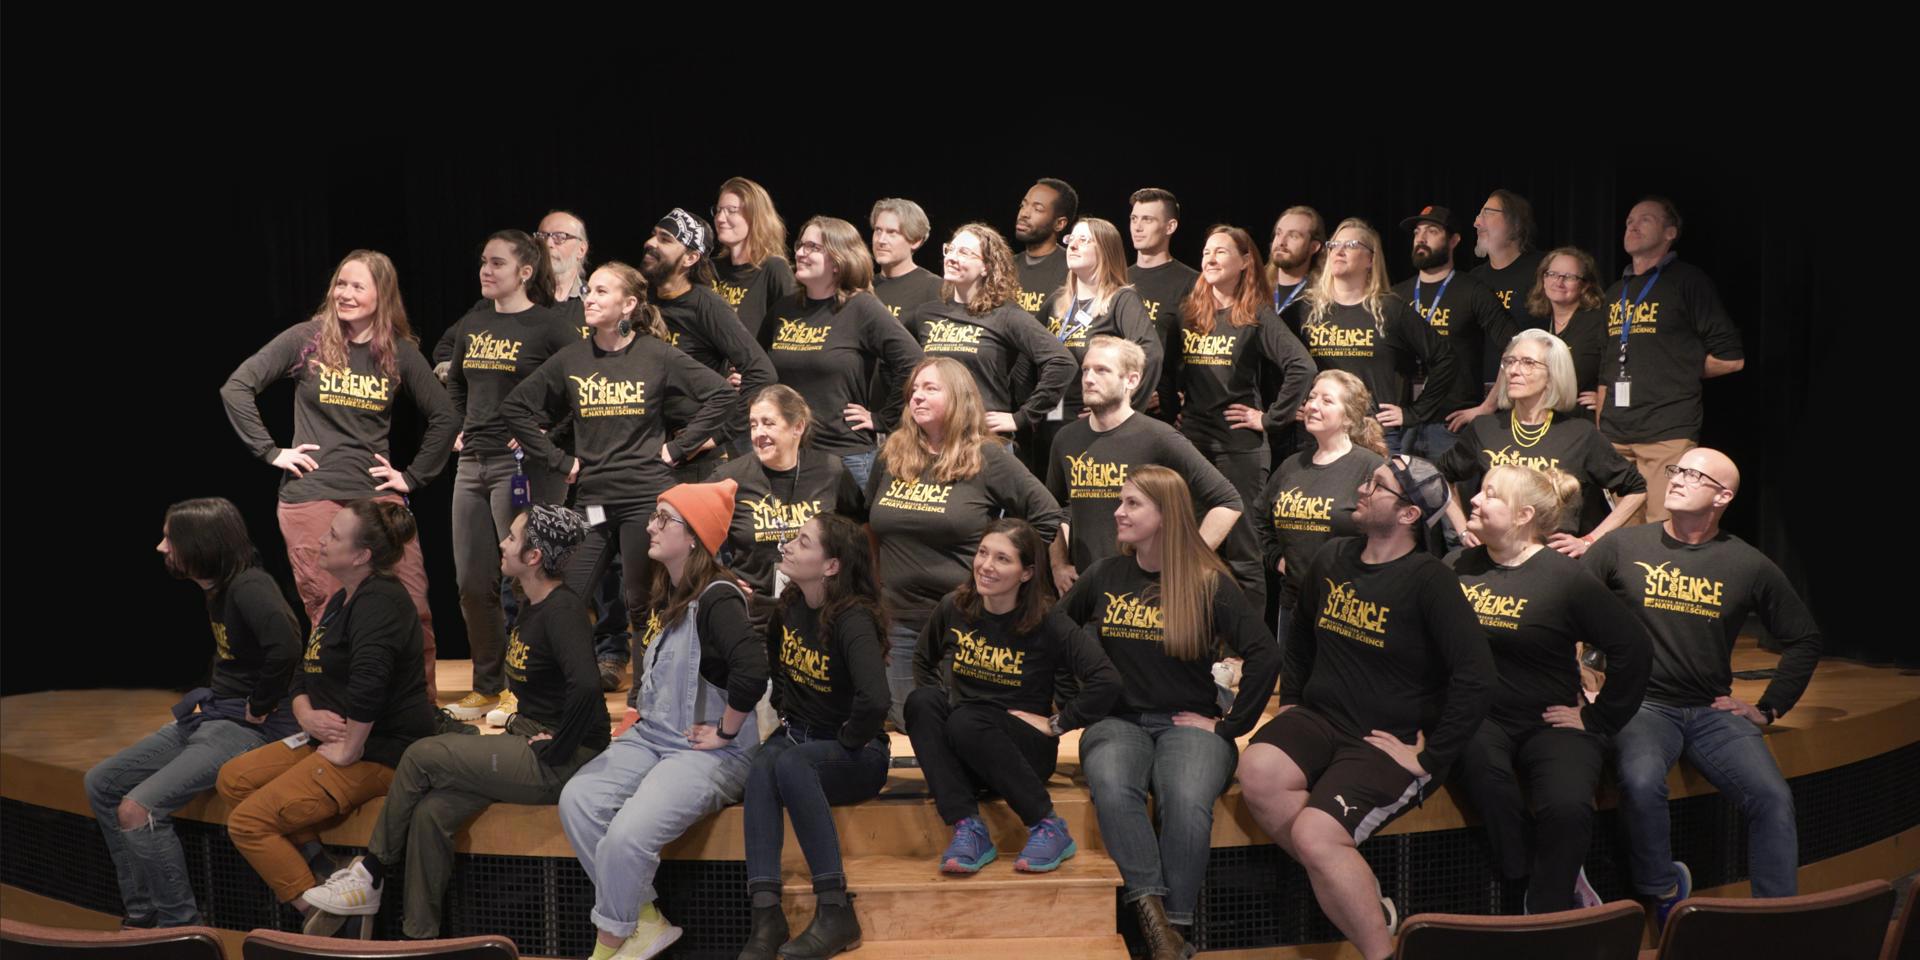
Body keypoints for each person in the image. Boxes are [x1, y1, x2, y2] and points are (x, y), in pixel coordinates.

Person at [300, 506, 609, 939]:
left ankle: (369, 873)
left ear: (535, 556)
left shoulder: (563, 610)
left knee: (421, 755)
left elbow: (587, 687)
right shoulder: (531, 604)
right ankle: (418, 937)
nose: (502, 543)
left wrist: (558, 747)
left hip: (563, 756)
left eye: (513, 538)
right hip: (530, 738)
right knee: (431, 813)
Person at [1236, 456, 1490, 960]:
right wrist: (1291, 702)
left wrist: (1431, 757)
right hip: (1322, 717)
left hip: (1387, 738)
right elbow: (1301, 634)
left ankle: (1381, 951)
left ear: (1409, 514)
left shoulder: (1430, 580)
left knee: (1315, 835)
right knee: (1257, 770)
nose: (1362, 489)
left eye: (1378, 486)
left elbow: (1477, 676)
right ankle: (1362, 893)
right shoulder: (1333, 555)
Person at [1585, 447, 1823, 921]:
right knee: (1640, 781)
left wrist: (1769, 707)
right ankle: (1663, 891)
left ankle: (1778, 920)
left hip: (1711, 710)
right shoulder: (1621, 547)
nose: (1677, 479)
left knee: (1772, 798)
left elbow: (1804, 638)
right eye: (1677, 470)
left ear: (1723, 497)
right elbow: (1563, 609)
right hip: (1642, 705)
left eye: (1694, 475)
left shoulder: (1747, 564)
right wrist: (1580, 681)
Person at [1059, 466, 1281, 960]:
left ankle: (1170, 929)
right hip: (1117, 721)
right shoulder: (1105, 574)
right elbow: (1054, 633)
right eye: (1121, 501)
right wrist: (1074, 702)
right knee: (1113, 786)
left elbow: (1265, 654)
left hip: (1190, 720)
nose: (1117, 512)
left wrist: (1231, 725)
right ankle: (1161, 928)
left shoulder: (1207, 581)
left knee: (1185, 797)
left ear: (1166, 514)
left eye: (1132, 504)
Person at [501, 258, 735, 706]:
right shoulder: (573, 358)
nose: (589, 298)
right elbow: (515, 407)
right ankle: (550, 697)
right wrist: (557, 459)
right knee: (565, 594)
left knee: (641, 601)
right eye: (589, 290)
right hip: (593, 502)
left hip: (643, 499)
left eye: (601, 291)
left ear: (628, 304)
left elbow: (722, 395)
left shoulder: (655, 355)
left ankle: (644, 702)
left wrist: (678, 448)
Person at [222, 250, 454, 689]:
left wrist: (412, 477)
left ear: (382, 295)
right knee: (332, 607)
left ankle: (419, 708)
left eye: (357, 286)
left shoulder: (398, 352)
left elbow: (445, 416)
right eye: (340, 284)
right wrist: (270, 452)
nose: (344, 294)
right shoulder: (307, 340)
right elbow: (237, 386)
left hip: (375, 498)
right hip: (312, 494)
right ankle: (338, 705)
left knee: (411, 602)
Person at [558, 480, 768, 960]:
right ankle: (645, 919)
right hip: (654, 737)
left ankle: (609, 942)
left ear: (694, 536)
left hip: (705, 751)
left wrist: (726, 730)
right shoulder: (668, 590)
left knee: (627, 835)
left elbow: (753, 671)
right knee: (579, 800)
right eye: (654, 516)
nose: (650, 527)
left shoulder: (718, 597)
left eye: (663, 519)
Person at [214, 500, 437, 934]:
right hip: (326, 736)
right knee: (233, 780)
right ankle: (322, 866)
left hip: (378, 752)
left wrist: (350, 748)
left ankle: (325, 916)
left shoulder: (381, 602)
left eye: (334, 535)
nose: (321, 540)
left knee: (248, 823)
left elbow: (370, 684)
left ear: (361, 555)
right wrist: (305, 713)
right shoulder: (341, 598)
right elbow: (304, 668)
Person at [86, 498, 300, 929]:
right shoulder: (217, 587)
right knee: (102, 783)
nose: (161, 547)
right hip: (215, 715)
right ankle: (143, 911)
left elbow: (288, 645)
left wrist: (259, 705)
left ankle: (181, 926)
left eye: (170, 538)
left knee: (138, 809)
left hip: (246, 728)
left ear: (199, 543)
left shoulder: (250, 586)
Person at [1448, 465, 1650, 914]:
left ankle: (1549, 908)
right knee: (1484, 775)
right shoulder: (1458, 565)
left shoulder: (1565, 578)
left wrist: (1598, 717)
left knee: (1568, 806)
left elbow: (1632, 648)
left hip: (1551, 716)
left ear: (1522, 516)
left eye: (1489, 494)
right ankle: (1525, 878)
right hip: (1482, 717)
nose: (1473, 500)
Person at [909, 519, 1122, 874]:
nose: (986, 565)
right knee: (922, 703)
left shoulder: (1047, 620)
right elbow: (922, 659)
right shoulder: (954, 606)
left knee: (966, 720)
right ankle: (967, 827)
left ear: (1027, 573)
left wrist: (1058, 723)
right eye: (983, 553)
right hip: (968, 745)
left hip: (1024, 753)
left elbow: (1106, 679)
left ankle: (1048, 825)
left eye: (1002, 559)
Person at [868, 357, 1065, 729]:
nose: (917, 396)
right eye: (914, 389)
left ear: (958, 397)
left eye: (930, 388)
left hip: (967, 622)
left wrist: (1011, 574)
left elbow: (1045, 513)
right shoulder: (891, 454)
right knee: (914, 722)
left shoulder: (987, 456)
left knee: (966, 725)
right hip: (900, 620)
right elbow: (870, 526)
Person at [739, 514, 892, 960]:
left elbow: (876, 699)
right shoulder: (788, 606)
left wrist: (848, 741)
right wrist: (786, 709)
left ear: (831, 566)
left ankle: (835, 909)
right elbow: (777, 668)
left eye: (803, 542)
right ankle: (766, 915)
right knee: (764, 762)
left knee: (791, 761)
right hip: (801, 739)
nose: (788, 545)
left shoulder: (853, 618)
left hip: (858, 754)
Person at [443, 229, 578, 721]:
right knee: (472, 582)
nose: (486, 270)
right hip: (472, 464)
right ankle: (487, 686)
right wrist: (459, 425)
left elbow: (579, 391)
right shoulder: (474, 322)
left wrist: (544, 435)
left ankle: (527, 690)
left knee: (525, 580)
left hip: (521, 467)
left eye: (497, 263)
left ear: (525, 271)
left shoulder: (550, 327)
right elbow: (457, 384)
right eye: (484, 261)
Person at [1045, 336, 1243, 594]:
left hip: (1145, 593)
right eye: (1085, 370)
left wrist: (1186, 564)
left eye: (1102, 370)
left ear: (1131, 380)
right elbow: (1052, 511)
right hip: (1086, 591)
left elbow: (1228, 501)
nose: (1089, 379)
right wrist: (1058, 564)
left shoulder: (1158, 437)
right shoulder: (1066, 439)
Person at [1597, 197, 1745, 524]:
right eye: (1629, 221)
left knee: (1661, 528)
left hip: (1666, 431)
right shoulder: (1615, 292)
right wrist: (1600, 426)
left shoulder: (1688, 281)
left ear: (1670, 233)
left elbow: (1731, 359)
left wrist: (1680, 367)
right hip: (1616, 433)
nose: (1632, 226)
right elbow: (1606, 365)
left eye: (1645, 220)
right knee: (1622, 532)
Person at [1439, 329, 1647, 556]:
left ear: (1553, 374)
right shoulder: (1485, 428)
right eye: (1510, 361)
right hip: (1494, 559)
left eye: (1528, 362)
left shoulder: (1579, 434)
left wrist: (1590, 540)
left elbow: (1636, 488)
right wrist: (1463, 530)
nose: (1514, 370)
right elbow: (1440, 476)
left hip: (1554, 562)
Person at [762, 216, 924, 492]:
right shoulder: (784, 309)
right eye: (801, 245)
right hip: (786, 455)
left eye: (813, 247)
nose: (801, 253)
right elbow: (760, 365)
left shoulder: (860, 308)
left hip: (844, 457)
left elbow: (914, 362)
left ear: (838, 261)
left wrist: (883, 419)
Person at [1165, 225, 1315, 514]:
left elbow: (1302, 366)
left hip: (1238, 447)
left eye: (1220, 252)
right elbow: (1166, 371)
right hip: (1191, 444)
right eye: (1206, 253)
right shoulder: (1187, 315)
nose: (1210, 259)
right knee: (1190, 534)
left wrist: (1271, 419)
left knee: (1241, 538)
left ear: (1245, 261)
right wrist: (1172, 412)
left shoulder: (1256, 315)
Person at [1291, 219, 1455, 457]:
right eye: (1334, 244)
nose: (1339, 250)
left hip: (1374, 436)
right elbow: (1271, 360)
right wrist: (1286, 405)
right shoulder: (1303, 310)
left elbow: (1446, 358)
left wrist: (1414, 413)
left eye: (1351, 245)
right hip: (1318, 435)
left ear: (1370, 259)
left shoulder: (1390, 309)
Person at [1253, 370, 1388, 648]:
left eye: (1327, 400)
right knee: (1293, 676)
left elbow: (1392, 535)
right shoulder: (1291, 466)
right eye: (1312, 397)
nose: (1312, 405)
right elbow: (1258, 520)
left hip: (1350, 608)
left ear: (1348, 417)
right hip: (1294, 604)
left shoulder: (1370, 467)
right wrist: (1277, 559)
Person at [641, 208, 777, 482]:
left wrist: (715, 435)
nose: (651, 243)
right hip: (643, 449)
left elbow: (762, 372)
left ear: (690, 258)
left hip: (690, 461)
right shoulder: (641, 298)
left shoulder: (706, 305)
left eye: (665, 239)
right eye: (654, 234)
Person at [907, 222, 1075, 444]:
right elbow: (895, 364)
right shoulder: (926, 314)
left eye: (964, 253)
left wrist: (1023, 417)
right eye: (950, 249)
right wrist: (884, 417)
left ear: (986, 267)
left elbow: (1062, 362)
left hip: (982, 441)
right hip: (933, 440)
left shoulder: (1005, 315)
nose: (952, 258)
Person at [713, 385, 866, 628]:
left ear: (798, 427)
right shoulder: (729, 477)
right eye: (753, 425)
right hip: (752, 615)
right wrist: (715, 574)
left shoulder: (830, 470)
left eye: (768, 423)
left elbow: (859, 530)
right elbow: (689, 532)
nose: (758, 433)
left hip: (819, 614)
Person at [1390, 205, 1516, 461]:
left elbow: (1516, 345)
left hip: (1451, 426)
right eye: (1417, 232)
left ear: (1454, 240)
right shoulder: (1395, 295)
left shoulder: (1472, 291)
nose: (1421, 238)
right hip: (1402, 423)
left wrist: (1488, 406)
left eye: (1432, 231)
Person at [1050, 217, 1164, 420]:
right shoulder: (1058, 301)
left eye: (1084, 240)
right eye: (1071, 239)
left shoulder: (1121, 299)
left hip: (1092, 422)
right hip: (1051, 418)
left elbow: (1151, 354)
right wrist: (1029, 410)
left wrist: (1121, 407)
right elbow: (1024, 357)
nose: (1073, 246)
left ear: (1105, 250)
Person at [710, 176, 798, 343]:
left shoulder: (773, 268)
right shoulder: (710, 269)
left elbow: (789, 331)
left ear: (755, 216)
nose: (720, 218)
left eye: (731, 210)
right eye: (718, 210)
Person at [1125, 188, 1199, 349]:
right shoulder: (1118, 278)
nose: (1137, 227)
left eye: (1147, 219)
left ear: (1170, 227)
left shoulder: (1192, 282)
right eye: (1134, 218)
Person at [1468, 190, 1546, 333]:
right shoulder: (1474, 278)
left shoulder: (1545, 269)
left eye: (1487, 213)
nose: (1476, 223)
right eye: (1478, 216)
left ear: (1516, 223)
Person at [1012, 177, 1077, 319]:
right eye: (1023, 205)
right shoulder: (1005, 267)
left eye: (1038, 209)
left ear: (1059, 224)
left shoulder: (1072, 269)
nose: (1024, 214)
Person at [869, 197, 944, 319]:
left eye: (892, 232)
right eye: (878, 230)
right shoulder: (864, 286)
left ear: (915, 241)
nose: (881, 240)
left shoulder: (934, 288)